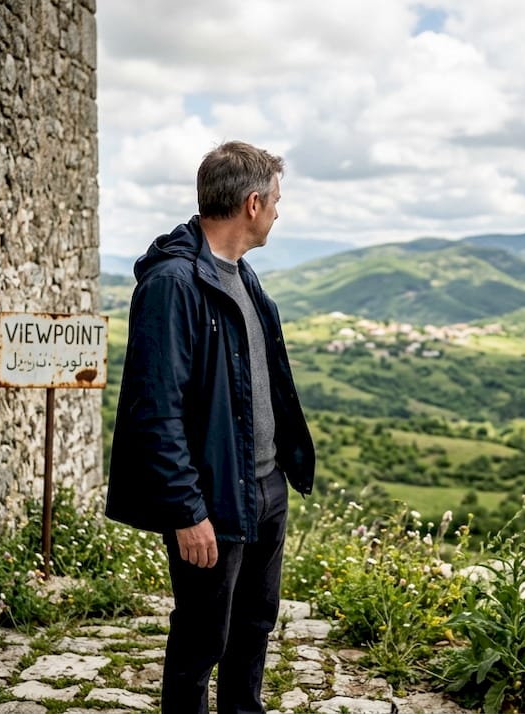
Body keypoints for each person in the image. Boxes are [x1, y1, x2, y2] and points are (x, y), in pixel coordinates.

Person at [106, 140, 315, 714]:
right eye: (276, 200)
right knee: (202, 641)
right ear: (253, 203)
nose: (278, 210)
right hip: (213, 498)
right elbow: (156, 411)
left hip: (266, 488)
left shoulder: (243, 277)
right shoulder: (174, 284)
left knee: (253, 627)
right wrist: (185, 510)